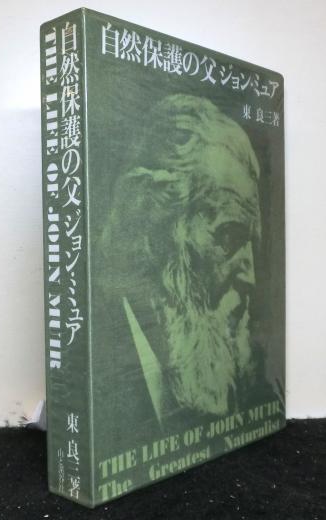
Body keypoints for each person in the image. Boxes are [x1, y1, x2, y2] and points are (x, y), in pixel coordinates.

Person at [94, 94, 268, 444]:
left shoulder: (252, 390)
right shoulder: (94, 358)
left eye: (251, 244)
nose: (250, 277)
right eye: (229, 237)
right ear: (154, 230)